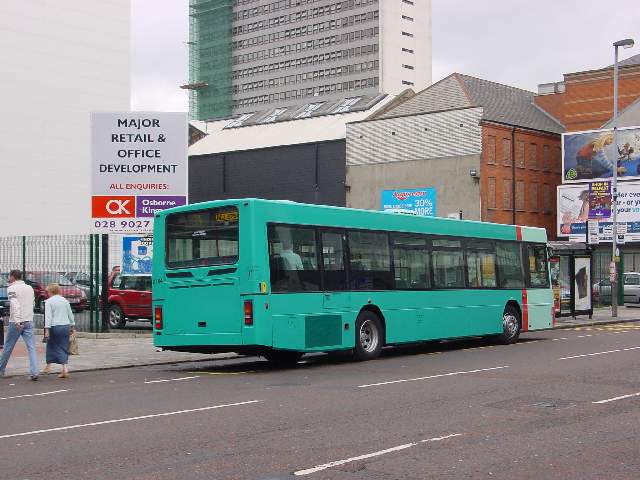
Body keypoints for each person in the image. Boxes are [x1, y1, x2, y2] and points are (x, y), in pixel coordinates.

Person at [0, 270, 39, 380]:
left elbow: (15, 304)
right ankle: (34, 372)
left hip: (16, 322)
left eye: (9, 276)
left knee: (8, 346)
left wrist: (17, 320)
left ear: (12, 277)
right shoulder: (29, 288)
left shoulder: (11, 288)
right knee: (31, 347)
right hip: (29, 320)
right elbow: (32, 303)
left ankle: (1, 369)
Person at [42, 283, 75, 379]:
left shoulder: (49, 302)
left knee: (51, 346)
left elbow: (48, 317)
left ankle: (57, 368)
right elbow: (70, 314)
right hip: (65, 326)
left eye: (48, 291)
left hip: (54, 327)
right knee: (63, 346)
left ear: (51, 291)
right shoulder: (65, 300)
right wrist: (72, 326)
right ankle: (52, 367)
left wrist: (47, 329)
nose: (47, 293)